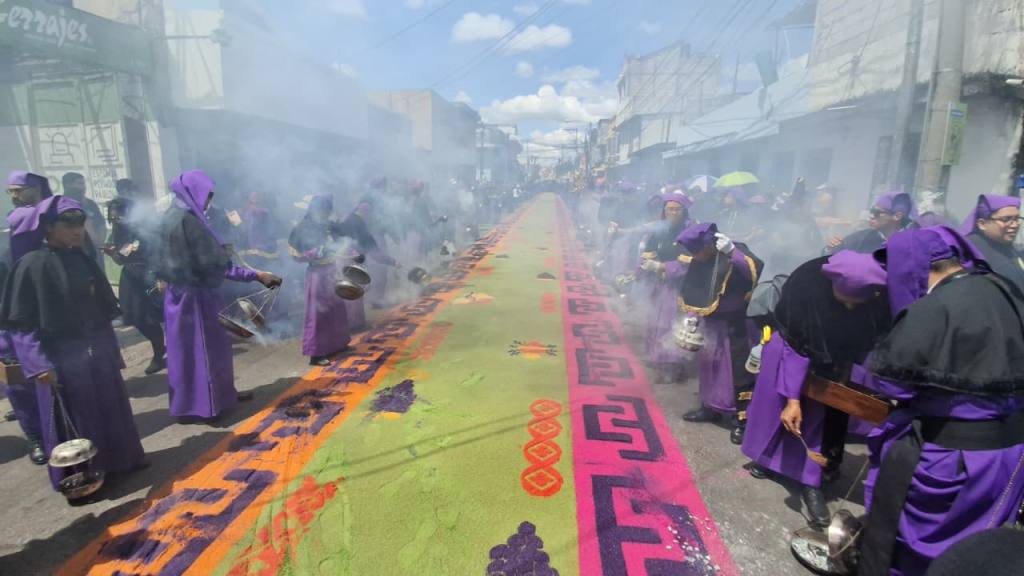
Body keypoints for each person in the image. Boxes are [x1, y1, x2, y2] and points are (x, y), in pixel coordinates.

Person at [858, 226, 1024, 576]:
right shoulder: (1003, 288)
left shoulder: (934, 308)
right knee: (974, 549)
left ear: (911, 268)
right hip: (1010, 452)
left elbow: (894, 384)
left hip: (951, 456)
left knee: (912, 548)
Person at [0, 196, 147, 495]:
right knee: (78, 418)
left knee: (110, 406)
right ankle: (83, 476)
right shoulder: (31, 265)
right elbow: (21, 324)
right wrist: (38, 364)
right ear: (48, 227)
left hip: (96, 350)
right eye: (68, 224)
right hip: (61, 358)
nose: (77, 230)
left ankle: (122, 461)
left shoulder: (81, 258)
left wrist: (110, 349)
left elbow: (100, 308)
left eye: (80, 223)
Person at [741, 250, 891, 528]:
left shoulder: (881, 299)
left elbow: (874, 342)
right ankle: (766, 460)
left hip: (835, 360)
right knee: (777, 408)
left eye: (855, 303)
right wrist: (793, 399)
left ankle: (810, 482)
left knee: (816, 421)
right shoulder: (806, 286)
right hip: (790, 348)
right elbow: (797, 347)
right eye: (844, 300)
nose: (850, 307)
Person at [156, 170, 280, 420]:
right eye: (207, 195)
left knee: (184, 352)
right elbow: (218, 267)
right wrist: (258, 275)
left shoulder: (170, 216)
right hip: (196, 298)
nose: (209, 200)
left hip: (176, 296)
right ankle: (210, 406)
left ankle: (202, 401)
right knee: (207, 351)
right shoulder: (190, 223)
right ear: (194, 193)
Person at [677, 222, 763, 444]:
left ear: (708, 245)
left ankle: (742, 420)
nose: (694, 256)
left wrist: (732, 253)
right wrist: (692, 317)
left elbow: (754, 272)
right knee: (709, 369)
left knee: (737, 372)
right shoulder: (699, 261)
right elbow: (695, 291)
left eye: (696, 251)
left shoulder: (735, 251)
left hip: (735, 324)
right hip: (711, 322)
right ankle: (709, 407)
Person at [2, 171, 55, 465]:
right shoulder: (12, 224)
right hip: (9, 317)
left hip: (44, 310)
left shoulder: (45, 219)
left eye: (17, 190)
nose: (13, 196)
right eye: (9, 191)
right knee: (18, 379)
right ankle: (35, 436)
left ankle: (59, 429)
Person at [289, 194, 360, 366]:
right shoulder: (302, 228)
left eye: (328, 210)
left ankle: (339, 344)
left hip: (332, 271)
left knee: (337, 309)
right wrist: (313, 253)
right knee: (318, 314)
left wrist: (355, 254)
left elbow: (344, 242)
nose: (325, 214)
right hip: (316, 274)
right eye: (322, 210)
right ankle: (316, 353)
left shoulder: (330, 225)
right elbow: (295, 255)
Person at [104, 197, 166, 375]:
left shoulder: (142, 229)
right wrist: (112, 254)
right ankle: (160, 346)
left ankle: (158, 354)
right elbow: (121, 259)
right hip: (130, 278)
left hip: (147, 275)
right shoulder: (118, 231)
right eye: (112, 218)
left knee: (149, 317)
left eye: (119, 217)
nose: (116, 220)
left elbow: (156, 253)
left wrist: (160, 277)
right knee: (133, 317)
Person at [637, 193, 691, 378]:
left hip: (678, 286)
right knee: (654, 321)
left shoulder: (688, 233)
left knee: (670, 322)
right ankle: (657, 357)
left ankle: (673, 365)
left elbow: (688, 263)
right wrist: (641, 268)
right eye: (669, 209)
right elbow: (648, 252)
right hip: (658, 283)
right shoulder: (659, 230)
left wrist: (661, 266)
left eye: (677, 209)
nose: (673, 213)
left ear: (684, 212)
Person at [960, 194, 1024, 292]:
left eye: (1017, 219)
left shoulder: (1009, 248)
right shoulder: (969, 252)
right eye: (1006, 219)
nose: (1014, 225)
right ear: (982, 224)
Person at [826, 191, 917, 254]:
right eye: (871, 211)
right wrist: (833, 249)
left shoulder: (915, 244)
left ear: (897, 216)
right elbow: (830, 256)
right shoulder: (862, 238)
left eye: (877, 212)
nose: (871, 216)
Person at [61, 172, 107, 270]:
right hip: (73, 254)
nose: (83, 187)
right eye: (80, 184)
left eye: (84, 183)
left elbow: (101, 223)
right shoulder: (61, 205)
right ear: (68, 185)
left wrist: (99, 241)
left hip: (95, 251)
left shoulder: (90, 204)